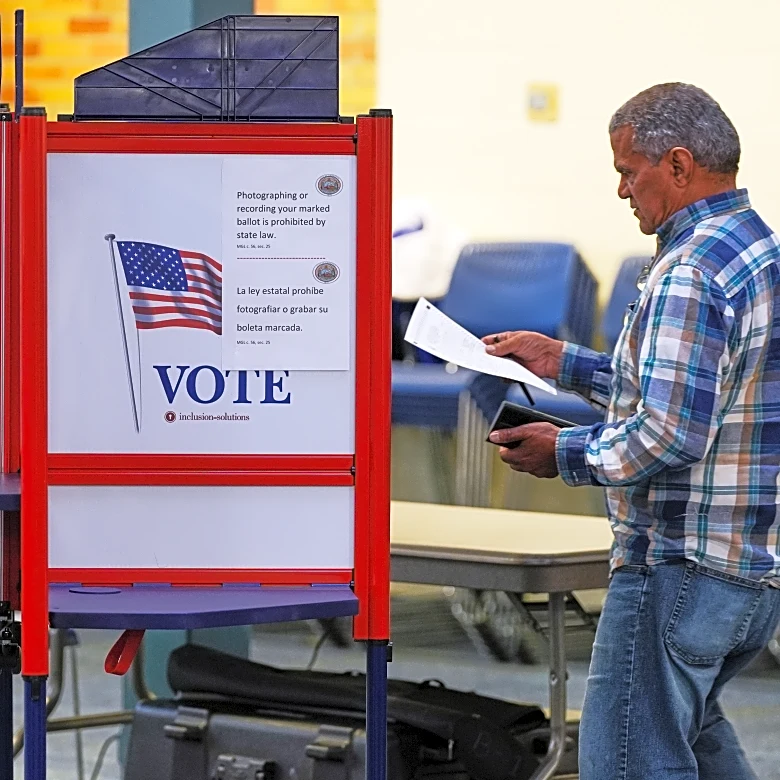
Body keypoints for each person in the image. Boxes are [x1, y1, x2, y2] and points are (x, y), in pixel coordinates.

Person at [484, 83, 780, 780]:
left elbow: (669, 434)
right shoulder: (754, 246)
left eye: (628, 171)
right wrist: (563, 362)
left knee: (626, 762)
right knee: (693, 739)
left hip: (675, 569)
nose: (621, 190)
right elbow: (700, 391)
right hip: (747, 571)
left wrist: (563, 452)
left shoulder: (690, 271)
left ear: (677, 164)